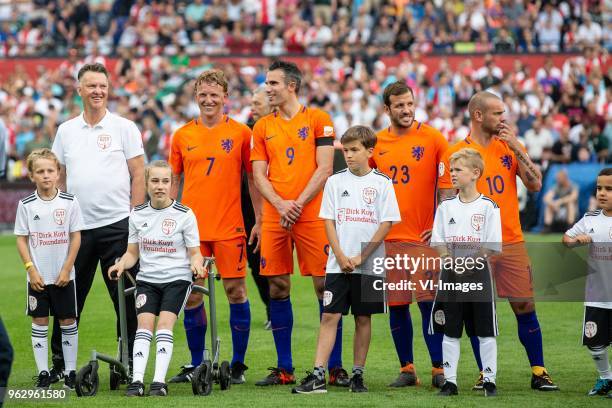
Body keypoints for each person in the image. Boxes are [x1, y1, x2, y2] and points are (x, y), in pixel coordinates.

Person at [439, 91, 559, 391]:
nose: (502, 118)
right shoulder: (456, 153)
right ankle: (485, 374)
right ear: (478, 115)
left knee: (524, 305)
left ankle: (539, 371)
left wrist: (517, 146)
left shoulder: (508, 148)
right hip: (472, 247)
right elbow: (445, 200)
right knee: (477, 311)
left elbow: (535, 184)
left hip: (511, 241)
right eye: (496, 113)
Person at [251, 60, 347, 386]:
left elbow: (324, 169)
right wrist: (280, 204)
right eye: (267, 84)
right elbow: (258, 174)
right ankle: (284, 368)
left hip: (313, 215)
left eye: (273, 83)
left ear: (291, 85)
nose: (268, 89)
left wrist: (297, 204)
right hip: (277, 217)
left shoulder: (319, 120)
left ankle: (334, 368)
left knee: (325, 287)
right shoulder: (262, 126)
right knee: (278, 287)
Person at [51, 63, 145, 382]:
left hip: (118, 227)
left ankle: (129, 363)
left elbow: (138, 173)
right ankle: (59, 366)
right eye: (91, 86)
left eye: (102, 86)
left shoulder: (124, 127)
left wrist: (135, 217)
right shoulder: (66, 131)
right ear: (79, 90)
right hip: (78, 230)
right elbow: (59, 176)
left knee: (127, 301)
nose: (98, 91)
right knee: (68, 297)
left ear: (109, 89)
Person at [292, 126, 400, 394]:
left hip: (370, 265)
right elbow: (328, 220)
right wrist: (340, 255)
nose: (349, 155)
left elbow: (386, 223)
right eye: (346, 149)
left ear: (369, 151)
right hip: (337, 264)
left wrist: (361, 256)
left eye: (355, 150)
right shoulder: (335, 181)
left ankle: (358, 375)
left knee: (363, 318)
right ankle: (318, 374)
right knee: (330, 315)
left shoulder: (382, 183)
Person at [168, 70, 261, 385]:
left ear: (225, 98)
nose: (208, 100)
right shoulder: (181, 135)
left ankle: (237, 365)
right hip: (191, 232)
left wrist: (259, 220)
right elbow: (174, 179)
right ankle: (197, 364)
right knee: (192, 295)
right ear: (196, 97)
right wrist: (166, 218)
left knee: (236, 292)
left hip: (229, 228)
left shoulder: (241, 134)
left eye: (214, 95)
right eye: (203, 95)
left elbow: (253, 179)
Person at [370, 81, 448, 387]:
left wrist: (441, 228)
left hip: (424, 240)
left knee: (428, 304)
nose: (406, 110)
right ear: (387, 109)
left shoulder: (433, 139)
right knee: (398, 305)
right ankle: (407, 369)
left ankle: (439, 370)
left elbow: (447, 192)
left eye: (410, 104)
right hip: (389, 241)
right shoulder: (375, 143)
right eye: (399, 105)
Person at [108, 160, 204, 397]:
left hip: (177, 280)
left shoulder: (185, 214)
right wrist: (121, 264)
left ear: (172, 185)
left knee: (164, 326)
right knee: (144, 326)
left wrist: (197, 264)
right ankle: (137, 381)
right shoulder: (137, 214)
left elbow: (195, 253)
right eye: (155, 181)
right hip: (147, 281)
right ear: (147, 184)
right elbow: (132, 253)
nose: (160, 186)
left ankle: (159, 383)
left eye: (165, 181)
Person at [430, 148, 502, 397]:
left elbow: (491, 245)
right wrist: (449, 260)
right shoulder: (446, 207)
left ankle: (489, 380)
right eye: (451, 170)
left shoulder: (489, 207)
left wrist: (469, 264)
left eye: (457, 170)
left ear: (475, 173)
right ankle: (451, 382)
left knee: (485, 330)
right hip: (450, 276)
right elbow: (438, 241)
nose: (452, 174)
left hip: (479, 276)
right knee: (450, 331)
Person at [13, 148, 83, 389]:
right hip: (38, 277)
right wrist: (30, 269)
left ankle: (71, 372)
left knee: (67, 321)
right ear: (32, 175)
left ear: (58, 173)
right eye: (40, 171)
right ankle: (43, 373)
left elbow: (76, 237)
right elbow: (21, 239)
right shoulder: (26, 205)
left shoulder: (70, 201)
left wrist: (67, 269)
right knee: (40, 321)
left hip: (64, 275)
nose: (45, 175)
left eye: (50, 171)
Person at [563, 167, 612, 398]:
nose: (602, 193)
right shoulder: (591, 218)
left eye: (609, 189)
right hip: (597, 295)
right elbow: (567, 237)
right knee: (594, 341)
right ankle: (606, 378)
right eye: (600, 188)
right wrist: (574, 241)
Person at [246, 87, 271, 329]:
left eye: (257, 103)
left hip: (275, 203)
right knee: (256, 261)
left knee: (271, 263)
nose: (251, 107)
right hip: (249, 205)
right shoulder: (247, 132)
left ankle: (276, 308)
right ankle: (271, 307)